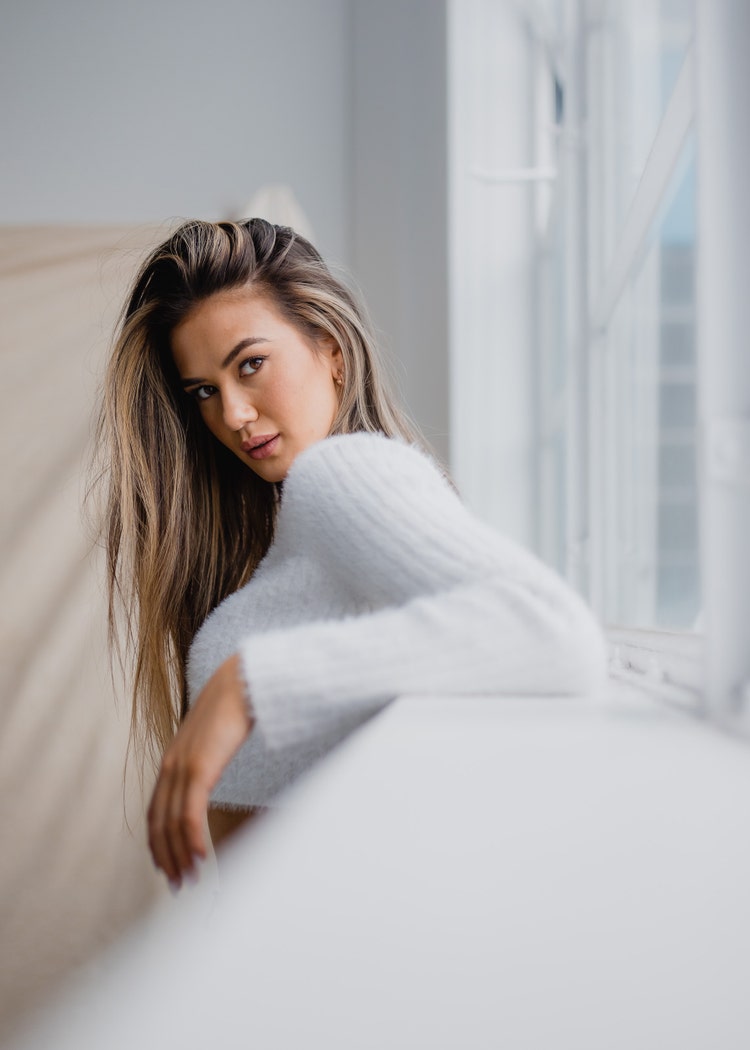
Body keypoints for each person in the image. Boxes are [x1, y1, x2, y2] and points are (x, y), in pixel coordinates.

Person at [98, 218, 606, 892]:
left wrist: (251, 683)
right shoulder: (304, 530)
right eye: (205, 392)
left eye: (251, 364)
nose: (235, 415)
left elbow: (554, 635)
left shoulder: (346, 473)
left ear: (331, 350)